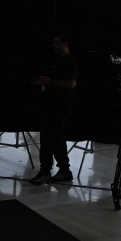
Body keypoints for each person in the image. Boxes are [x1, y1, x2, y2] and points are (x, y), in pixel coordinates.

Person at [28, 32, 78, 186]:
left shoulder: (70, 61)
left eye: (57, 42)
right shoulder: (57, 60)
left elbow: (71, 84)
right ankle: (64, 170)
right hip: (52, 103)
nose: (54, 45)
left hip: (62, 105)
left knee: (48, 137)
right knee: (58, 138)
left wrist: (49, 81)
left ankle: (45, 172)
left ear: (65, 43)